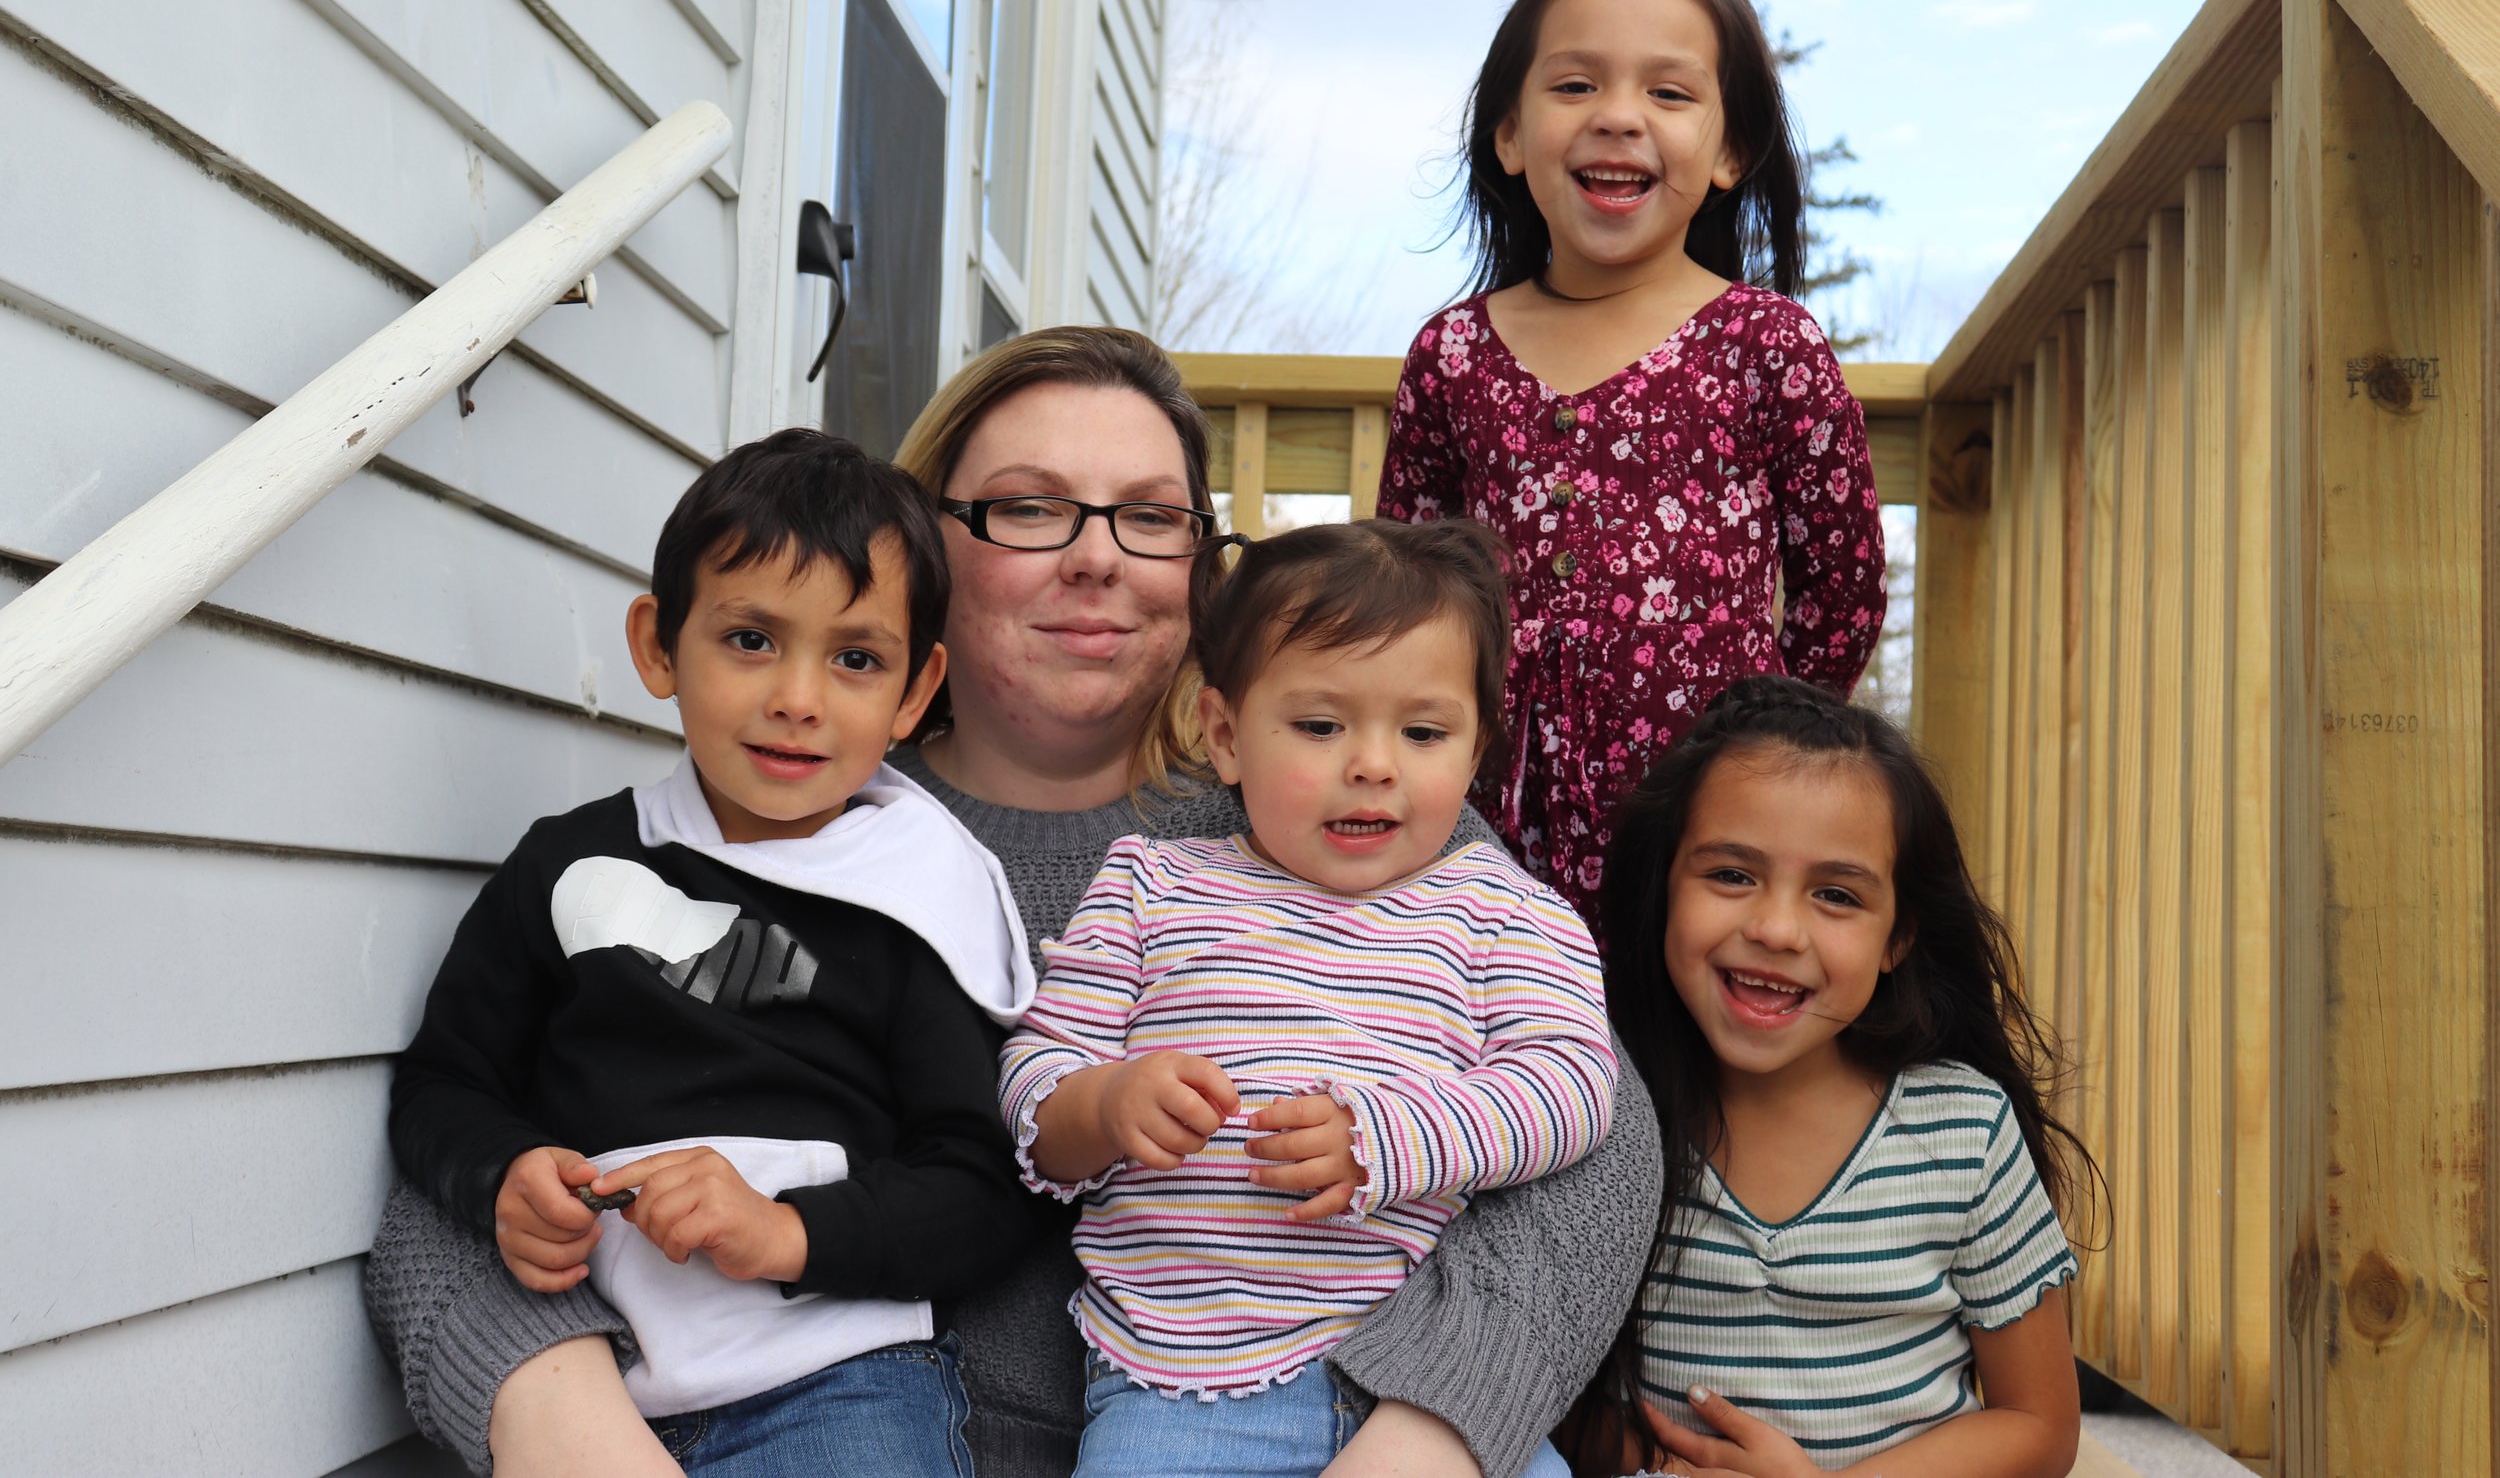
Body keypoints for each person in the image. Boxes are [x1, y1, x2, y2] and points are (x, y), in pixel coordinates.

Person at [362, 327, 1663, 1478]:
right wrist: (549, 1401)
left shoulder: (1343, 813)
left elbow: (1589, 1128)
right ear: (924, 546)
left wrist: (1426, 1428)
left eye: (1150, 515)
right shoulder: (785, 826)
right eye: (1031, 508)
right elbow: (481, 1126)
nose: (1097, 558)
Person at [385, 430, 1038, 1474]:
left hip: (841, 1380)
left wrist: (788, 1232)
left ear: (916, 692)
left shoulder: (916, 896)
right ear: (656, 644)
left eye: (857, 658)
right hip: (603, 1368)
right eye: (749, 639)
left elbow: (982, 1185)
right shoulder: (571, 863)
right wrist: (501, 1172)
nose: (798, 697)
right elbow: (441, 1082)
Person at [1002, 519, 1618, 1478]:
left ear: (1474, 751)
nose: (1372, 762)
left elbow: (1571, 1086)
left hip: (1421, 1384)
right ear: (1224, 734)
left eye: (1422, 731)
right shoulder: (1150, 887)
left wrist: (1391, 1137)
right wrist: (1107, 1103)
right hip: (1180, 1386)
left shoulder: (1508, 912)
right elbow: (1037, 1083)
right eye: (1321, 725)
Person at [1376, 0, 1888, 922]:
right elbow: (1405, 586)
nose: (1618, 117)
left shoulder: (1766, 343)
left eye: (1669, 92)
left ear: (1732, 150)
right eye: (1574, 85)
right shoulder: (1453, 355)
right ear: (1510, 135)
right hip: (1486, 833)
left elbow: (1842, 588)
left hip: (1703, 828)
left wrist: (1758, 752)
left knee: (1675, 1058)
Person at [1562, 676, 2086, 1478]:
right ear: (1662, 886)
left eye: (1836, 894)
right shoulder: (1593, 1118)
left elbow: (2039, 1423)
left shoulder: (1965, 1130)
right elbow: (1546, 1398)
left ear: (1897, 939)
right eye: (1731, 874)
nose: (1775, 928)